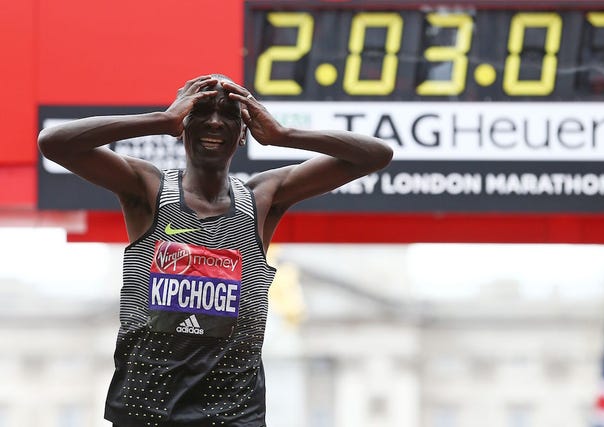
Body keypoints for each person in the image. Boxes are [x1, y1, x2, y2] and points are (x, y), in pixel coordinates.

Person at [38, 74, 393, 427]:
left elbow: (376, 155)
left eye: (228, 115)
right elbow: (55, 143)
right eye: (201, 111)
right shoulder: (147, 188)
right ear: (183, 124)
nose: (214, 121)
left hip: (233, 415)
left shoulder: (262, 197)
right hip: (147, 411)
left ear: (243, 133)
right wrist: (161, 120)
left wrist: (284, 135)